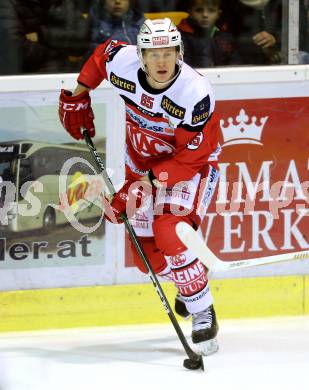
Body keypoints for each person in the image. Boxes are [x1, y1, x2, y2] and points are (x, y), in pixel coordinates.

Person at [58, 18, 221, 355]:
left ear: (179, 53)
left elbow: (193, 156)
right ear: (141, 55)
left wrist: (142, 186)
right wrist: (79, 93)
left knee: (168, 231)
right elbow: (102, 56)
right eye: (154, 54)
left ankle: (202, 310)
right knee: (146, 257)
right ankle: (191, 275)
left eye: (169, 53)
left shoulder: (194, 92)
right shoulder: (123, 63)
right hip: (140, 164)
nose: (162, 62)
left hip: (189, 169)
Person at [178, 0, 241, 67]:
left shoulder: (225, 36)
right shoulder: (181, 36)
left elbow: (235, 62)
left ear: (218, 14)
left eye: (211, 11)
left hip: (222, 76)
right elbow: (183, 66)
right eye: (199, 10)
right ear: (190, 13)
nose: (205, 15)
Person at [220, 0, 282, 65]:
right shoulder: (230, 5)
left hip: (273, 63)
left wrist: (275, 39)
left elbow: (289, 28)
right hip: (238, 61)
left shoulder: (281, 4)